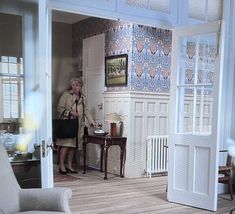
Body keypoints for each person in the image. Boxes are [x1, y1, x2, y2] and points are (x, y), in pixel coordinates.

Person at [56, 77, 95, 174]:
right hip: (68, 124)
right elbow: (59, 108)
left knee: (73, 146)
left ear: (80, 86)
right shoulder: (66, 95)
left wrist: (91, 121)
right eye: (73, 85)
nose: (74, 87)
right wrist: (70, 113)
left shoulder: (83, 97)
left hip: (78, 125)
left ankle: (69, 165)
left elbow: (86, 110)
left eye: (77, 85)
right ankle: (61, 165)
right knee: (66, 145)